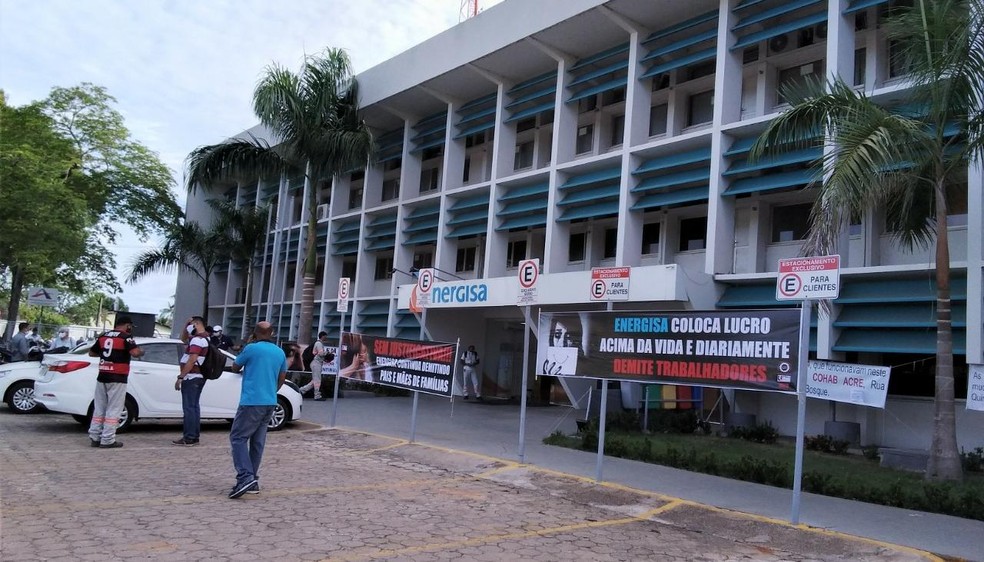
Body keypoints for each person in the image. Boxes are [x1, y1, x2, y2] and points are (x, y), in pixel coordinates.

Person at [227, 321, 287, 499]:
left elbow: (235, 366)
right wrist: (270, 391)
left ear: (254, 333)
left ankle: (245, 477)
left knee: (238, 438)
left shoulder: (251, 349)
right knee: (257, 442)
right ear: (272, 333)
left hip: (251, 401)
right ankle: (253, 480)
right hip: (270, 401)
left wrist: (247, 345)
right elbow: (282, 377)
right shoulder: (279, 352)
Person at [87, 315, 143, 448]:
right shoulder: (126, 337)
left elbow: (91, 353)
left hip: (103, 375)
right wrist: (142, 351)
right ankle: (107, 439)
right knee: (114, 409)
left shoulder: (103, 336)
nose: (131, 329)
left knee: (99, 407)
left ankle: (95, 436)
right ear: (127, 325)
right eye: (130, 327)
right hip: (118, 377)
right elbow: (135, 353)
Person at [173, 316, 210, 446]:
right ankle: (193, 436)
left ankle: (189, 437)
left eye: (191, 324)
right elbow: (183, 339)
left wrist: (181, 377)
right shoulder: (203, 338)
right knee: (193, 407)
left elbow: (191, 360)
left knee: (189, 408)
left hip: (192, 377)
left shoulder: (198, 340)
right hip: (197, 377)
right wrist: (186, 325)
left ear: (197, 324)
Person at [298, 331, 333, 401]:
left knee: (315, 380)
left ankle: (301, 390)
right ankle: (317, 395)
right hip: (316, 363)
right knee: (317, 380)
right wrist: (328, 353)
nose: (326, 337)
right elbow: (321, 353)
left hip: (315, 363)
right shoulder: (319, 343)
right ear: (322, 336)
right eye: (325, 336)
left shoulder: (318, 343)